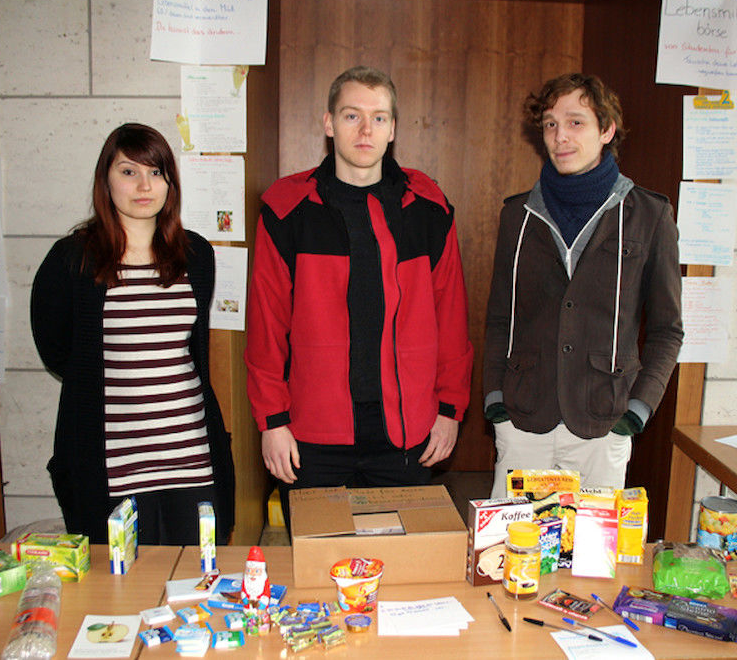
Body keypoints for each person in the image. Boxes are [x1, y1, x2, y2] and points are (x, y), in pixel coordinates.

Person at [245, 66, 473, 518]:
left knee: (403, 572)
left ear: (393, 129)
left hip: (406, 434)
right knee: (317, 568)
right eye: (352, 116)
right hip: (312, 436)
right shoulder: (286, 210)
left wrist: (450, 410)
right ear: (329, 124)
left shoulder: (429, 209)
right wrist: (272, 423)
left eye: (379, 118)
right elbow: (266, 327)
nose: (366, 130)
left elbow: (452, 319)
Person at [31, 123, 234, 544]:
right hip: (113, 465)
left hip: (190, 456)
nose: (144, 185)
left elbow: (191, 351)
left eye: (156, 172)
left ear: (170, 183)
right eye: (128, 172)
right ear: (105, 180)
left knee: (194, 582)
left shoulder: (196, 255)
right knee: (121, 593)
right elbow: (57, 351)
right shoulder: (72, 260)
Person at [483, 73, 683, 498]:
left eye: (576, 122)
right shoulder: (517, 215)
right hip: (523, 421)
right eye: (551, 124)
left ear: (606, 130)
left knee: (592, 560)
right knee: (511, 554)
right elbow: (500, 318)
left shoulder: (649, 215)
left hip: (604, 421)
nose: (560, 137)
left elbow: (667, 330)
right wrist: (495, 400)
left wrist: (638, 409)